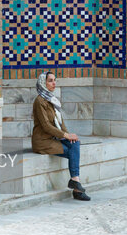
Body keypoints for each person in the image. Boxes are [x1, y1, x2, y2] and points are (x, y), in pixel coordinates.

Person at [32, 72, 90, 201]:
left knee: (75, 144)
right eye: (50, 81)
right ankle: (77, 189)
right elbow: (46, 126)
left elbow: (60, 122)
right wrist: (65, 135)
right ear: (43, 83)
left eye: (55, 80)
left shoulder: (52, 99)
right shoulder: (40, 101)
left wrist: (69, 136)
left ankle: (75, 181)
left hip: (53, 139)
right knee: (72, 151)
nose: (54, 83)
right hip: (42, 141)